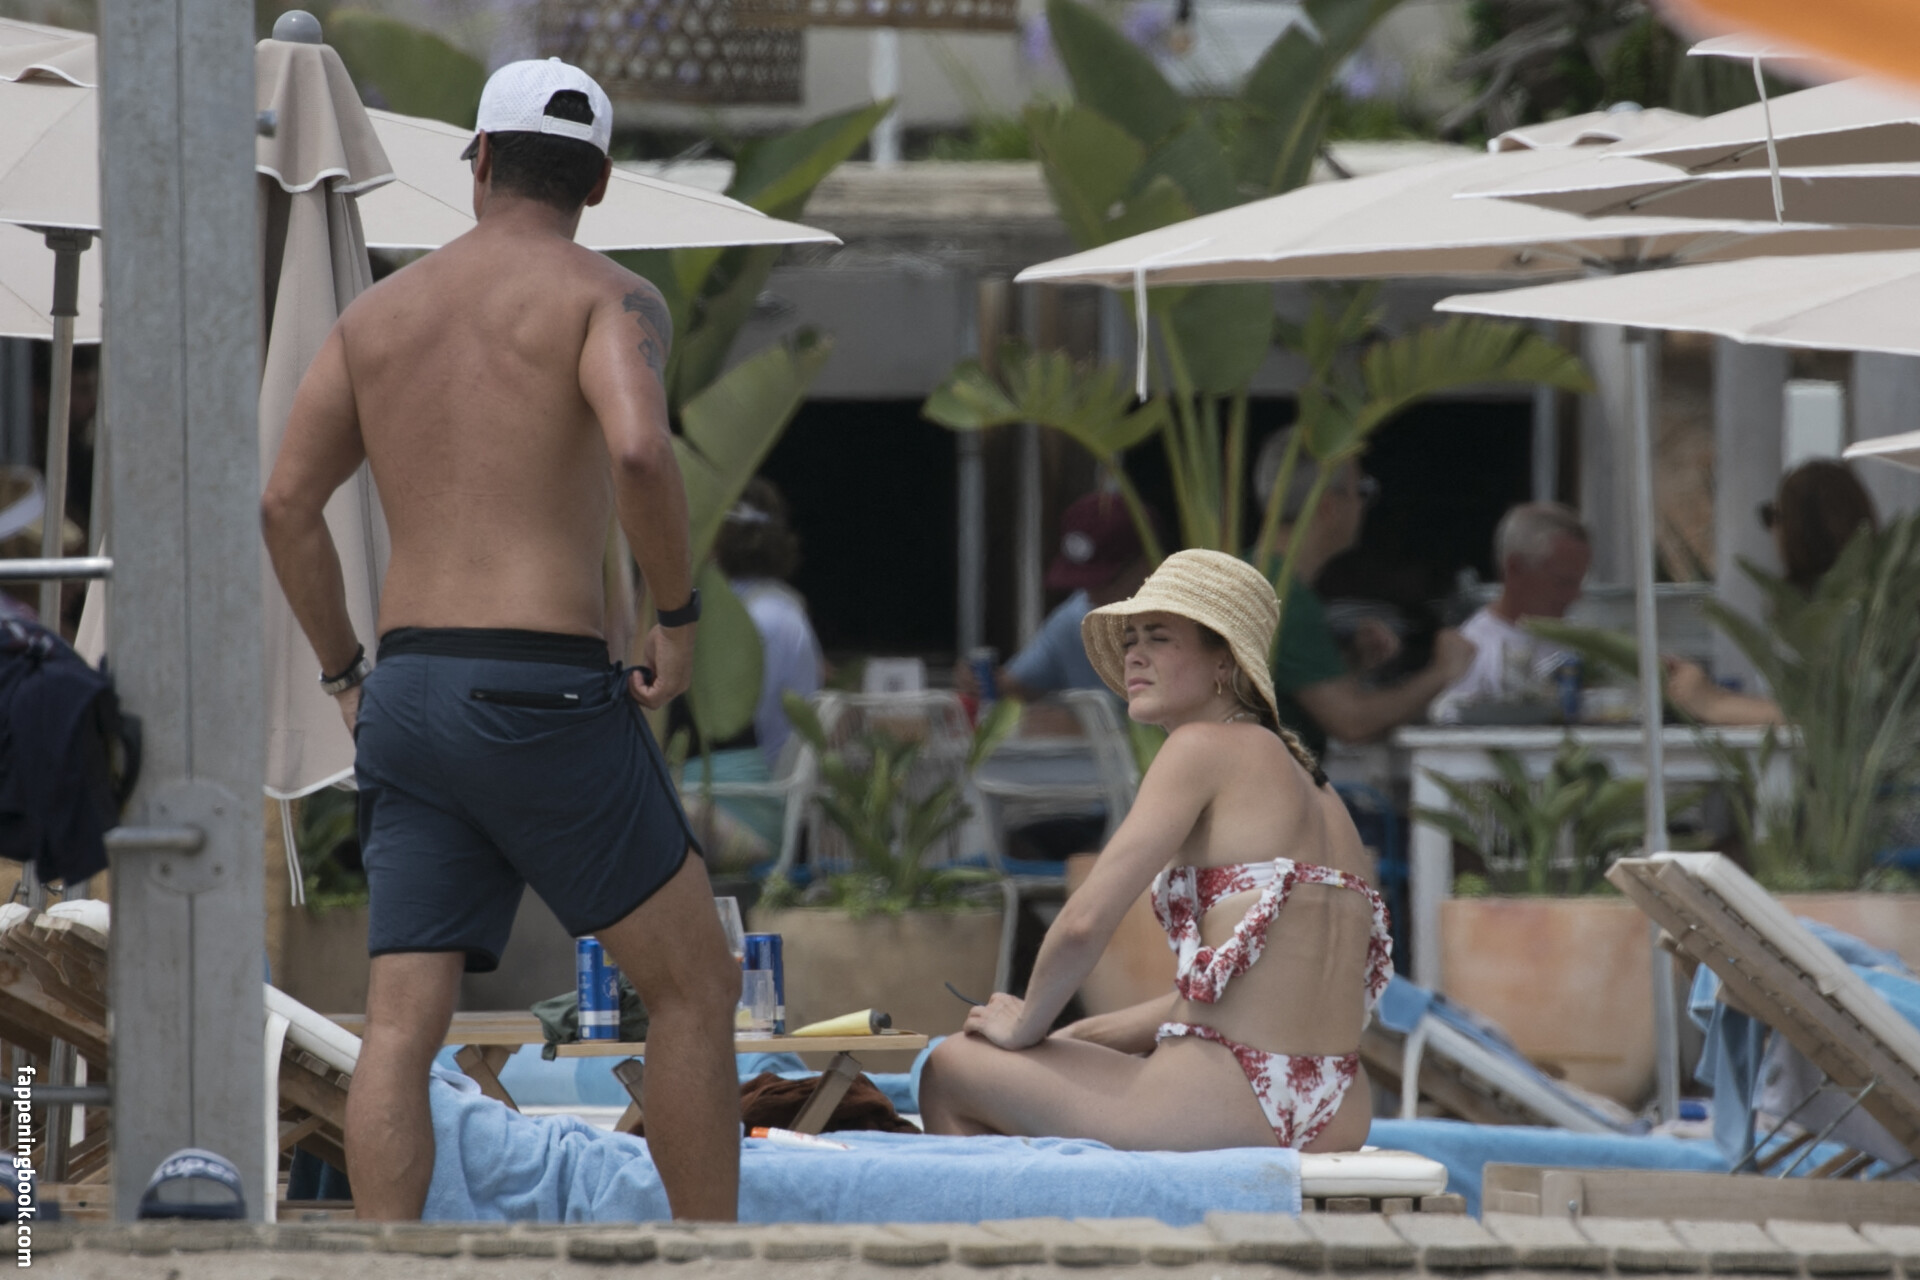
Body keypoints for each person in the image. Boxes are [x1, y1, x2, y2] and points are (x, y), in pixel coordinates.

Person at [260, 60, 739, 1221]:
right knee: (695, 985)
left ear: (476, 160)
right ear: (600, 182)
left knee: (400, 1022)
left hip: (409, 687)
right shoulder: (607, 298)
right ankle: (714, 1258)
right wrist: (677, 618)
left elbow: (284, 504)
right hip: (540, 688)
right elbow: (639, 449)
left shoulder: (375, 316)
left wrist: (344, 670)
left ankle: (392, 1260)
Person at [918, 550, 1392, 1151]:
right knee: (1059, 1058)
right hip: (1339, 1104)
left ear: (1225, 661)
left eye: (1159, 638)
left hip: (1226, 1097)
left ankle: (1031, 1218)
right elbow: (1254, 988)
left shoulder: (1201, 746)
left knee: (950, 1066)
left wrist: (1026, 1024)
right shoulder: (1321, 792)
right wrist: (1083, 1034)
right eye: (1131, 639)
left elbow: (1085, 921)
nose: (1134, 655)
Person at [1252, 430, 1475, 755]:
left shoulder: (1255, 576)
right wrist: (1441, 672)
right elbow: (1352, 722)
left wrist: (1350, 662)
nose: (1363, 506)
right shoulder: (1285, 599)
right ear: (1328, 507)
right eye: (1362, 491)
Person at [1666, 459, 1879, 726]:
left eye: (1772, 515)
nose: (1772, 531)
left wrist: (1714, 702)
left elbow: (1835, 716)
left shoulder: (1856, 613)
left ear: (1798, 527)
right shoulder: (1865, 601)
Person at [681, 477, 825, 863]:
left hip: (750, 803)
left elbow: (735, 727)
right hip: (756, 794)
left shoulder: (753, 619)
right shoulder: (778, 607)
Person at [956, 491, 1154, 702]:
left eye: (1103, 581)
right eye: (1081, 581)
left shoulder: (1180, 624)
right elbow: (1016, 687)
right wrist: (979, 683)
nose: (1090, 595)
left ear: (1147, 563)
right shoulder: (1076, 619)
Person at [1430, 503, 1591, 724]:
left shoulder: (1582, 646)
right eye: (1563, 583)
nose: (1575, 596)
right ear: (1515, 568)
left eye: (1579, 582)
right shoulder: (1472, 653)